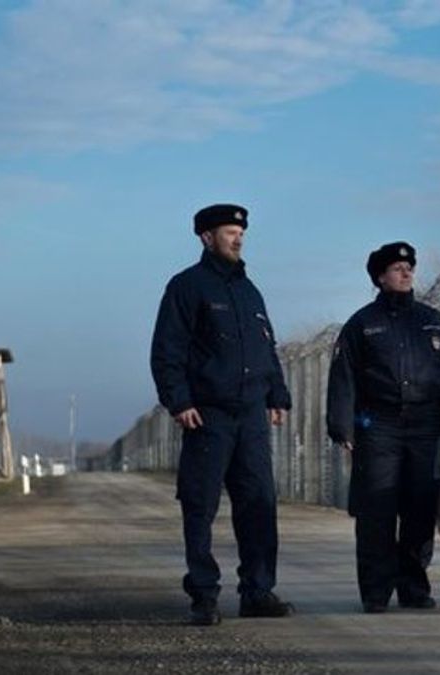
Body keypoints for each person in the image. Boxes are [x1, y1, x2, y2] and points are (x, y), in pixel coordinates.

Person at [150, 203, 295, 626]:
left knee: (259, 504)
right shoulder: (187, 287)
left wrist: (277, 395)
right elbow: (167, 350)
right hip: (208, 415)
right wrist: (179, 401)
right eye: (230, 232)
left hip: (251, 416)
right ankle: (204, 595)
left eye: (241, 233)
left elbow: (268, 348)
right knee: (200, 506)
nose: (238, 239)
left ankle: (257, 591)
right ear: (206, 237)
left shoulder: (251, 291)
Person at [326, 241, 440, 613]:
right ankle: (375, 592)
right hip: (379, 427)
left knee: (420, 508)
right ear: (380, 277)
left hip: (426, 427)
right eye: (396, 268)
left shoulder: (433, 321)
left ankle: (413, 586)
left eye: (409, 267)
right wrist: (342, 427)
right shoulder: (363, 325)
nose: (406, 273)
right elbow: (343, 377)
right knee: (376, 509)